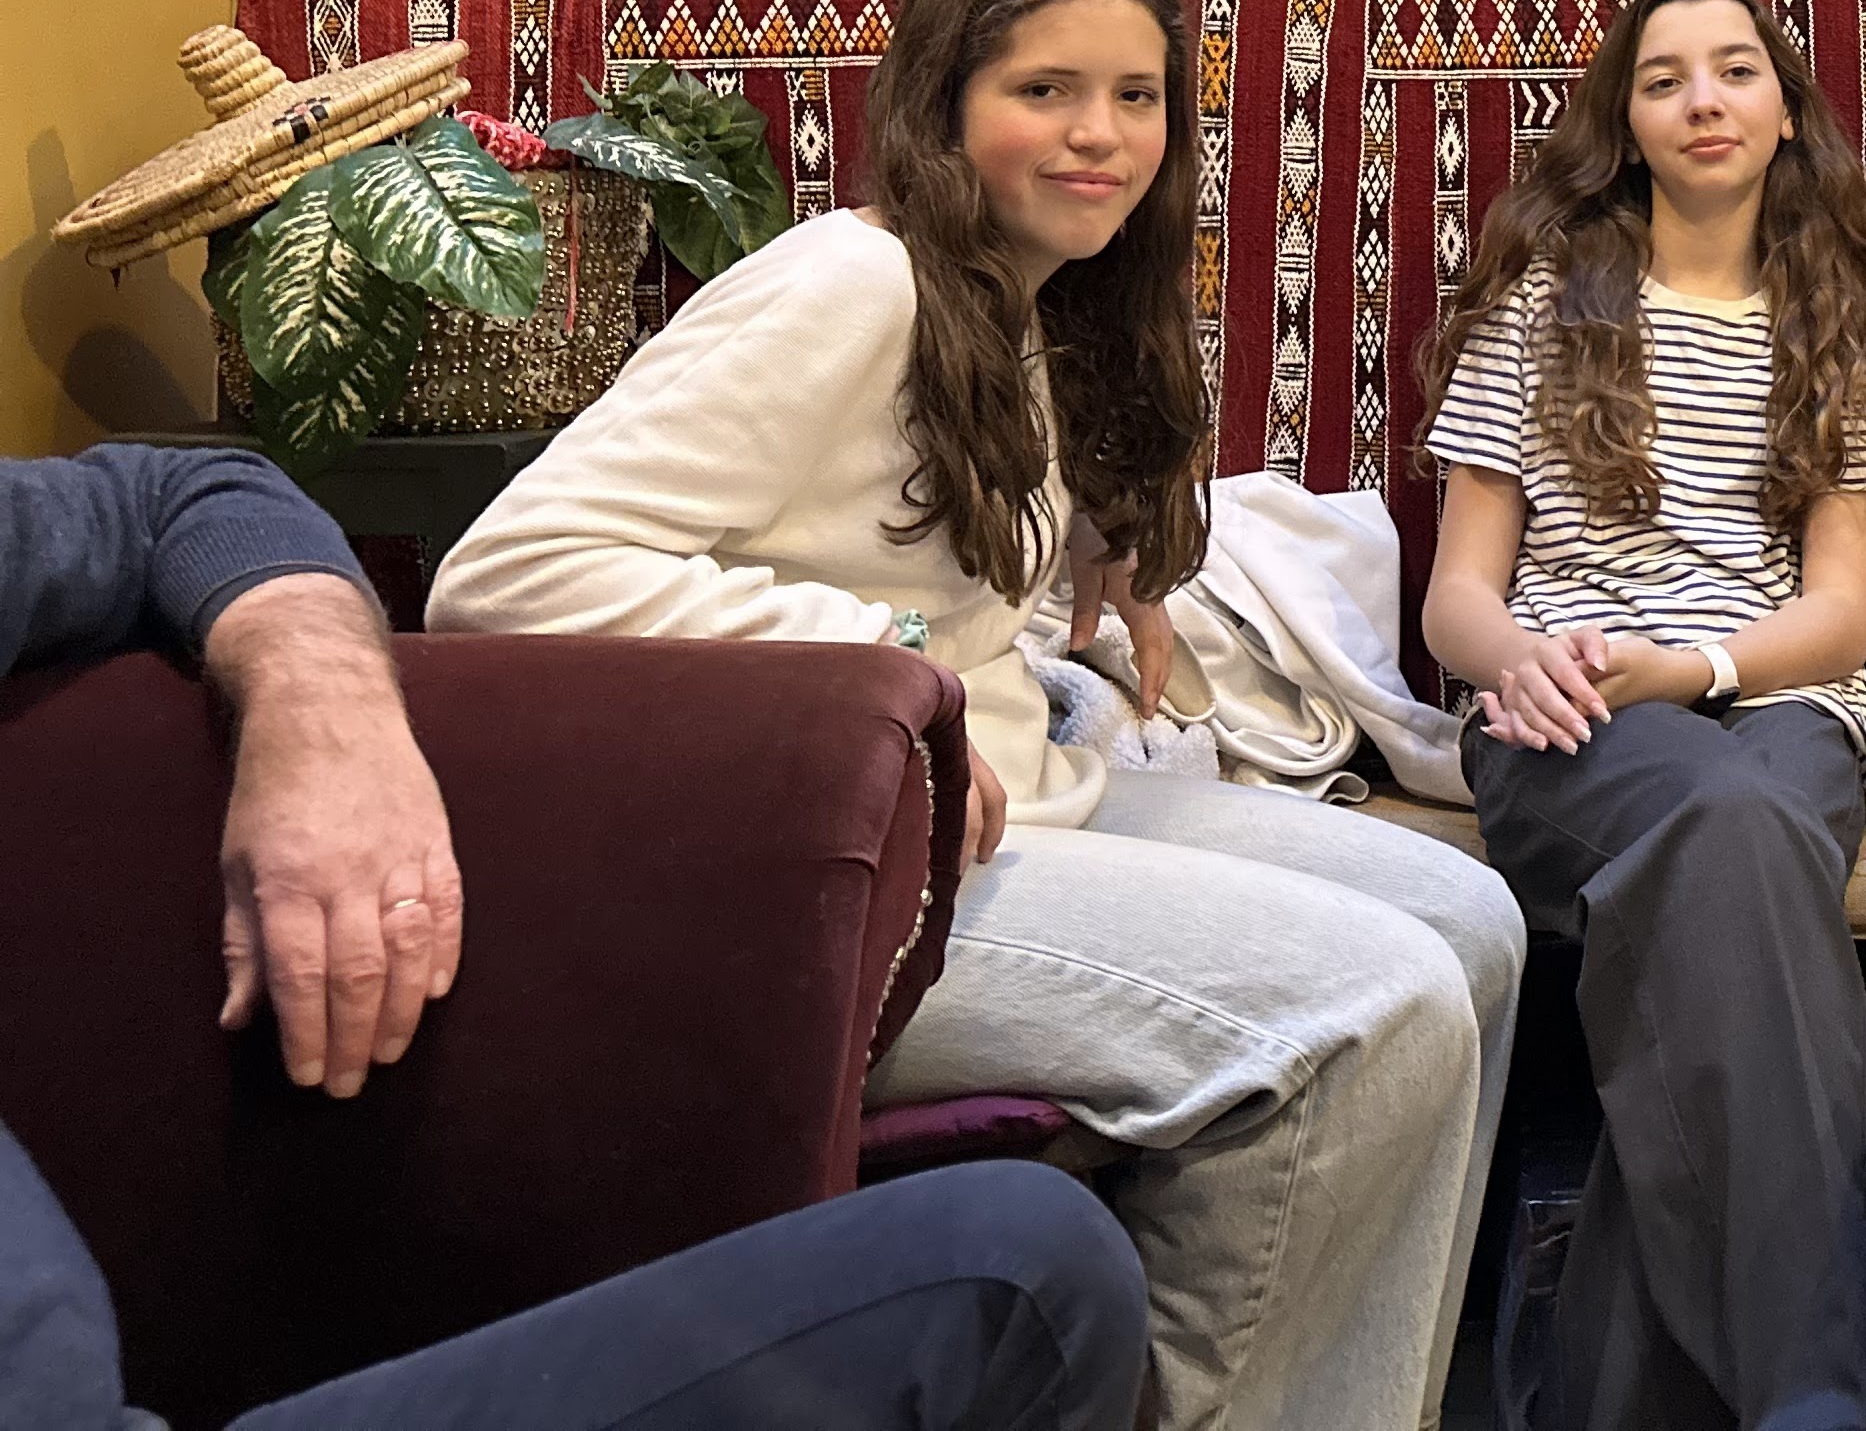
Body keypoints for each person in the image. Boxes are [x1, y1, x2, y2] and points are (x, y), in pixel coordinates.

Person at [433, 0, 1523, 1431]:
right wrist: (889, 679)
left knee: (1470, 921)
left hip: (1005, 792)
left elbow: (902, 542)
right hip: (822, 861)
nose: (1099, 135)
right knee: (1374, 1004)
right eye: (1044, 90)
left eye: (1136, 96)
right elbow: (509, 572)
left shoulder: (1026, 305)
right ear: (946, 101)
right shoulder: (849, 279)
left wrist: (1099, 539)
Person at [5, 442, 1145, 1431]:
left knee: (1024, 1274)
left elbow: (185, 497)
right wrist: (884, 640)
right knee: (1253, 1027)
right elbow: (520, 565)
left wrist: (322, 713)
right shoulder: (855, 290)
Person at [1420, 0, 1866, 1431]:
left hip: (1785, 703)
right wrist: (1518, 660)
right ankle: (1819, 1397)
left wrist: (1700, 669)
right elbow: (1458, 597)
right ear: (1627, 125)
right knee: (1731, 826)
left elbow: (1840, 618)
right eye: (1664, 80)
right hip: (1574, 712)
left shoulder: (1845, 327)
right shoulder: (1542, 310)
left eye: (1736, 71)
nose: (1704, 100)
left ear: (1787, 114)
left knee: (1739, 821)